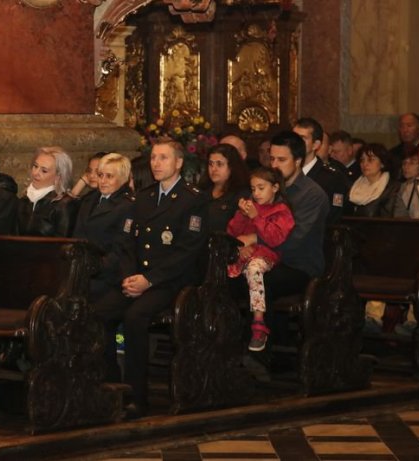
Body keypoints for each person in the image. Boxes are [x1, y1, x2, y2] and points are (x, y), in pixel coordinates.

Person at [94, 137, 207, 419]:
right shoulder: (142, 197)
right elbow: (129, 242)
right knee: (99, 314)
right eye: (154, 158)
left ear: (179, 163)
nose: (156, 163)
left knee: (135, 317)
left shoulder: (193, 199)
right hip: (138, 277)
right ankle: (111, 386)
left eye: (164, 158)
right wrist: (130, 276)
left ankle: (137, 396)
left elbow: (186, 252)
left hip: (170, 281)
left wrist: (149, 280)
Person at [227, 167, 295, 352]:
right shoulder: (250, 208)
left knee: (254, 269)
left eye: (261, 188)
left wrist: (256, 217)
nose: (256, 193)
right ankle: (225, 326)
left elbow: (275, 238)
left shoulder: (281, 211)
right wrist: (242, 215)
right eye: (253, 188)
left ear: (275, 187)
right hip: (244, 255)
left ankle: (259, 321)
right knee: (221, 273)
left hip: (265, 256)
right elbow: (233, 233)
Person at [261, 131, 329, 310]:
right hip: (266, 258)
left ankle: (270, 336)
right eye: (272, 159)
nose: (274, 166)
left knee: (263, 282)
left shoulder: (312, 194)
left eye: (281, 160)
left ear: (298, 161)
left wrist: (254, 238)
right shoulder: (267, 188)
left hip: (299, 266)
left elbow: (293, 239)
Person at [72, 153, 134, 299]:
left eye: (109, 176)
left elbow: (120, 250)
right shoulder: (89, 200)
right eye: (100, 175)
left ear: (123, 178)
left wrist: (93, 268)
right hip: (81, 270)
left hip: (107, 277)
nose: (103, 181)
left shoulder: (127, 206)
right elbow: (77, 236)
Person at [293, 118, 348, 225]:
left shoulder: (332, 178)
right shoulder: (283, 173)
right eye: (293, 138)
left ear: (316, 145)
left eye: (302, 138)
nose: (295, 143)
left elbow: (332, 215)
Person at [17, 146, 78, 237]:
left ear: (58, 176)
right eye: (35, 166)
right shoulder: (24, 199)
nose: (36, 173)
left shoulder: (65, 204)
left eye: (44, 171)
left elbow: (63, 244)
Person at [201, 143, 250, 232]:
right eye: (210, 164)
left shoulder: (242, 195)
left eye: (219, 164)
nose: (214, 169)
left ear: (232, 167)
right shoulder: (202, 190)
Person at [345, 143, 399, 217]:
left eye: (370, 160)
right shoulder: (354, 186)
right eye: (362, 160)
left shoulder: (392, 189)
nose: (365, 164)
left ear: (382, 163)